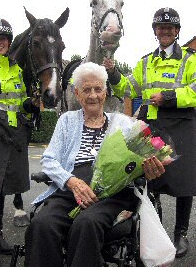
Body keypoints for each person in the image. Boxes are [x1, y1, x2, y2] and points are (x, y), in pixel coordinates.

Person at [24, 62, 166, 267]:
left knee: (86, 223)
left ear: (106, 92)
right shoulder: (67, 121)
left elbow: (139, 162)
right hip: (72, 189)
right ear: (77, 93)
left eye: (98, 89)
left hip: (113, 193)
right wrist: (71, 182)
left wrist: (150, 169)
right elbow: (49, 159)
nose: (93, 95)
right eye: (86, 90)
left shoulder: (124, 123)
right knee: (41, 224)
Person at [103, 7, 196, 258]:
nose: (164, 31)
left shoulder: (192, 58)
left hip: (182, 123)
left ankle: (181, 234)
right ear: (155, 31)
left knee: (183, 183)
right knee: (149, 179)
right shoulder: (145, 62)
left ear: (177, 31)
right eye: (160, 27)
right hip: (153, 125)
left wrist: (168, 97)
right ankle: (152, 231)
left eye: (169, 27)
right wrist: (113, 72)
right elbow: (128, 88)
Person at [0, 18, 39, 267]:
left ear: (9, 42)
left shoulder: (17, 70)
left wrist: (31, 104)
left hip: (11, 134)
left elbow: (18, 102)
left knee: (1, 186)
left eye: (3, 39)